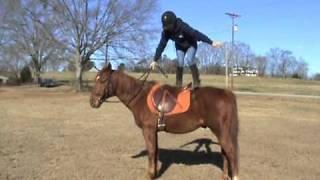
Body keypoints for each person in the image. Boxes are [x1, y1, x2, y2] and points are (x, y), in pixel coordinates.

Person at [150, 11, 222, 88]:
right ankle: (178, 84)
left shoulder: (182, 26)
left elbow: (196, 34)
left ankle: (197, 82)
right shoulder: (165, 32)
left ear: (174, 23)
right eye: (166, 27)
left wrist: (211, 42)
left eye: (169, 27)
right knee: (180, 62)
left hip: (191, 44)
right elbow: (161, 45)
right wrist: (155, 60)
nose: (168, 29)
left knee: (189, 60)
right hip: (179, 46)